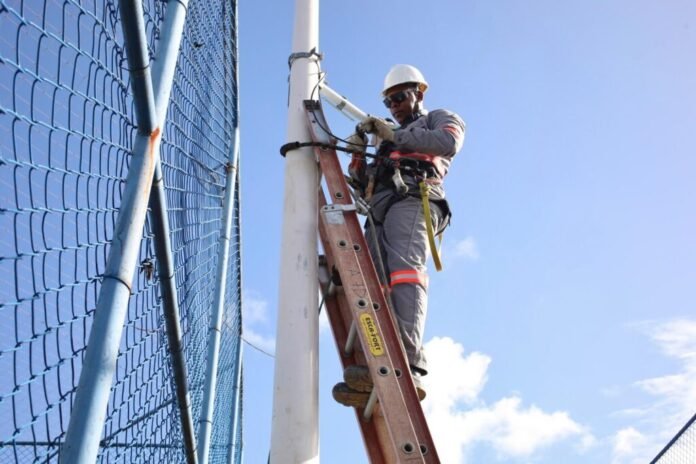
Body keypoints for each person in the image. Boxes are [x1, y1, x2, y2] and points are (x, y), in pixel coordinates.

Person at [333, 64, 466, 407]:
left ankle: (408, 360)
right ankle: (374, 361)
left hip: (414, 198)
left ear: (419, 93)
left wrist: (393, 135)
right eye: (388, 101)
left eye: (400, 97)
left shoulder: (438, 118)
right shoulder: (385, 141)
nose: (394, 106)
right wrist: (358, 152)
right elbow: (362, 183)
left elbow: (447, 143)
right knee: (372, 282)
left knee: (405, 272)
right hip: (380, 207)